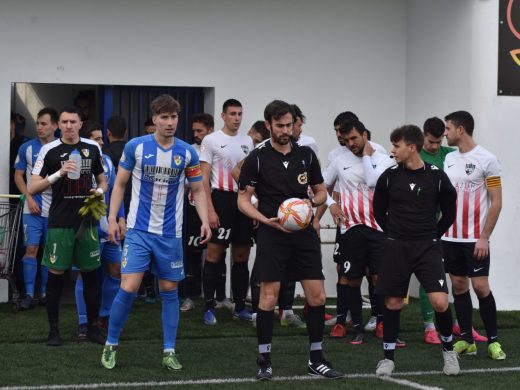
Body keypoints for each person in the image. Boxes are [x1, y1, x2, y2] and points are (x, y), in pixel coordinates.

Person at [100, 94, 210, 371]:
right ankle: (111, 343)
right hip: (138, 230)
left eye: (174, 117)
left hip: (170, 234)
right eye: (164, 117)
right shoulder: (136, 147)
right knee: (128, 287)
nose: (170, 122)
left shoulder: (187, 152)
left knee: (169, 289)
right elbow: (120, 185)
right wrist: (112, 218)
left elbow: (198, 190)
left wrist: (205, 221)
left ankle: (169, 350)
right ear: (155, 119)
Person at [238, 100, 343, 380]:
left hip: (304, 233)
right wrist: (264, 220)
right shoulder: (257, 158)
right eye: (280, 125)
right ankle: (264, 360)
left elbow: (321, 192)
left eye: (289, 125)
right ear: (269, 125)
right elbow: (243, 200)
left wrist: (309, 204)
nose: (286, 130)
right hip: (272, 233)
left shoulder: (306, 155)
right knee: (268, 298)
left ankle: (316, 359)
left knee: (317, 295)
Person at [372, 124, 459, 376]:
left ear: (411, 147)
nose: (392, 151)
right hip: (396, 247)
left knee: (440, 301)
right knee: (393, 301)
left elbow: (449, 211)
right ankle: (388, 358)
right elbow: (379, 211)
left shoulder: (436, 176)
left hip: (427, 247)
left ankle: (449, 353)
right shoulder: (389, 177)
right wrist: (393, 233)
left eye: (396, 146)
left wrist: (433, 234)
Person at [28, 107, 108, 346]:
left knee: (91, 276)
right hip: (60, 223)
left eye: (73, 121)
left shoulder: (93, 148)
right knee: (56, 276)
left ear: (80, 123)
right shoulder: (49, 150)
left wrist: (100, 191)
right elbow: (32, 188)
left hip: (87, 222)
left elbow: (103, 179)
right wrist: (58, 174)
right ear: (58, 125)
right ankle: (54, 331)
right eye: (64, 122)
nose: (69, 125)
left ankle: (93, 328)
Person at [319, 119, 394, 344]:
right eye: (346, 139)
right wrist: (331, 203)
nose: (351, 143)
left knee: (379, 277)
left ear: (364, 134)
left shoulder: (382, 157)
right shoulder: (339, 160)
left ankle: (382, 321)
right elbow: (320, 185)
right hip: (351, 229)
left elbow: (377, 183)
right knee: (350, 278)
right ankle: (357, 327)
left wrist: (368, 156)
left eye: (354, 138)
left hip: (379, 229)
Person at [442, 111, 506, 360]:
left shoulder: (487, 159)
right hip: (451, 238)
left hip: (475, 239)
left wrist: (484, 237)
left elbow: (497, 202)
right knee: (458, 286)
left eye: (448, 128)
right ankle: (467, 340)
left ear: (461, 129)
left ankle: (493, 341)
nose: (445, 132)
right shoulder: (448, 159)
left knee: (480, 287)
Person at [199, 99, 254, 325]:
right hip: (220, 199)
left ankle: (240, 306)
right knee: (215, 253)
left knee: (242, 255)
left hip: (242, 201)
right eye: (232, 113)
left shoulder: (248, 141)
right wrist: (210, 210)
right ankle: (209, 307)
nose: (237, 118)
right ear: (223, 116)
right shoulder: (211, 140)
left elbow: (251, 177)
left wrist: (253, 205)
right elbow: (203, 179)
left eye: (240, 113)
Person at [73, 121, 125, 340]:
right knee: (85, 275)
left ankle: (104, 315)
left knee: (116, 271)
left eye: (102, 138)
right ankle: (84, 321)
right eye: (97, 139)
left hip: (109, 227)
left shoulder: (108, 162)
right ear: (85, 141)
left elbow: (114, 192)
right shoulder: (75, 161)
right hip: (87, 227)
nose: (102, 142)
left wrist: (120, 217)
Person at [13, 108, 58, 309]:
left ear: (55, 126)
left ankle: (45, 294)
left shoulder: (63, 147)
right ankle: (29, 295)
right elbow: (18, 176)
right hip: (32, 208)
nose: (39, 127)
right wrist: (28, 197)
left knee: (50, 253)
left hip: (56, 210)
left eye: (44, 123)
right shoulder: (26, 148)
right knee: (31, 249)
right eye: (38, 123)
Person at [180, 113, 214, 312]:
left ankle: (219, 296)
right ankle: (190, 296)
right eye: (194, 130)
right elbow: (186, 181)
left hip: (215, 207)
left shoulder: (216, 148)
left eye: (199, 131)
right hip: (191, 208)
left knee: (216, 250)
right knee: (191, 253)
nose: (195, 134)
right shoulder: (190, 151)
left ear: (209, 130)